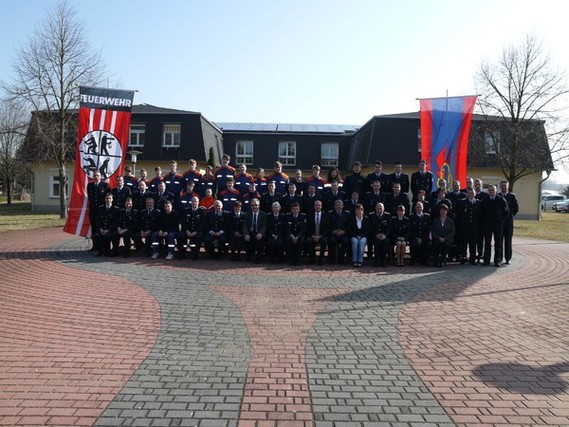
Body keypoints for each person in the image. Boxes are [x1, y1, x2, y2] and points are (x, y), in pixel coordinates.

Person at [481, 184, 509, 267]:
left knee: (498, 243)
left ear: (496, 191)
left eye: (493, 190)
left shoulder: (501, 199)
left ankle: (497, 260)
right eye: (490, 190)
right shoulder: (485, 200)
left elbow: (506, 211)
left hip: (498, 224)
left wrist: (502, 221)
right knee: (487, 243)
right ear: (488, 191)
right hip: (488, 225)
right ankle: (486, 260)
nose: (491, 191)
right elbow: (481, 212)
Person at [87, 170, 110, 252]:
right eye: (94, 175)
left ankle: (103, 246)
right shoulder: (89, 186)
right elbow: (90, 197)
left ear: (100, 177)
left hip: (102, 210)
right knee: (94, 228)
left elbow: (107, 198)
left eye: (97, 175)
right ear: (93, 177)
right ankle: (95, 246)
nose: (96, 177)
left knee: (102, 227)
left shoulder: (105, 185)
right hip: (93, 209)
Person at [458, 188, 482, 264]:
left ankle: (472, 259)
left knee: (473, 243)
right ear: (467, 194)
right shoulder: (462, 202)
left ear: (475, 194)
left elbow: (481, 215)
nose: (471, 194)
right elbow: (460, 214)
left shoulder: (479, 203)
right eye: (469, 193)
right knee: (464, 243)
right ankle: (463, 258)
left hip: (475, 227)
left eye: (472, 193)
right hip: (465, 226)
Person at [178, 196, 206, 260]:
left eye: (195, 201)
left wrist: (195, 231)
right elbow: (184, 222)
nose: (194, 203)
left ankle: (195, 254)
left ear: (198, 202)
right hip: (187, 230)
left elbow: (202, 224)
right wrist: (187, 231)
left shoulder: (202, 211)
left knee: (199, 236)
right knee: (180, 235)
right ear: (191, 202)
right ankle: (182, 254)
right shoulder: (186, 210)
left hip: (197, 231)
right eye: (193, 201)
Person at [499, 180, 519, 265]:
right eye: (502, 186)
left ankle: (508, 258)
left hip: (509, 223)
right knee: (499, 241)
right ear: (500, 187)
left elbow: (516, 209)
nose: (503, 187)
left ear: (508, 187)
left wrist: (510, 215)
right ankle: (499, 258)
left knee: (508, 241)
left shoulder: (512, 196)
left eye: (505, 186)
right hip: (500, 222)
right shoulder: (498, 196)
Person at [242, 198, 266, 263]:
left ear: (259, 205)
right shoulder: (247, 214)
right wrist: (246, 234)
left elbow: (264, 225)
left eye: (256, 205)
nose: (254, 207)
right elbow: (245, 225)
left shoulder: (263, 214)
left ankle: (259, 258)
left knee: (260, 241)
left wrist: (261, 233)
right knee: (246, 240)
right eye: (253, 205)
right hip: (250, 233)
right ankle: (249, 256)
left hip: (259, 233)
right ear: (250, 206)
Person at [305, 199, 328, 265]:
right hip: (312, 235)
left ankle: (321, 259)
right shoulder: (310, 215)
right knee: (309, 240)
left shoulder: (326, 216)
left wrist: (320, 236)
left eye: (319, 205)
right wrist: (313, 235)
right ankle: (311, 259)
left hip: (321, 235)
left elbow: (327, 228)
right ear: (314, 206)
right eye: (316, 205)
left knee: (324, 241)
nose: (317, 207)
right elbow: (307, 227)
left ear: (321, 206)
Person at [409, 201, 431, 266]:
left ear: (423, 208)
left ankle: (424, 261)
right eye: (417, 207)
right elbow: (411, 229)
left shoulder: (427, 217)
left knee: (427, 245)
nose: (419, 208)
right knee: (413, 244)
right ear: (415, 208)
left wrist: (422, 238)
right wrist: (417, 238)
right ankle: (413, 260)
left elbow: (428, 229)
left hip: (424, 237)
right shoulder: (411, 216)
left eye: (420, 207)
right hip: (414, 237)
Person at [328, 199, 350, 264]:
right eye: (337, 205)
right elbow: (328, 225)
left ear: (343, 206)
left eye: (340, 205)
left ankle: (341, 258)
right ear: (334, 206)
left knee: (346, 241)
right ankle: (332, 259)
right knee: (331, 241)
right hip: (333, 233)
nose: (339, 207)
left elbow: (349, 225)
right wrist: (333, 231)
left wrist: (344, 231)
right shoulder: (330, 213)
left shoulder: (347, 214)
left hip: (343, 233)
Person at [349, 204, 371, 268]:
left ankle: (360, 261)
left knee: (361, 242)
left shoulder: (366, 219)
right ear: (355, 211)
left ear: (363, 211)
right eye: (358, 210)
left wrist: (361, 236)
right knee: (354, 241)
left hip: (363, 236)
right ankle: (355, 261)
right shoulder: (352, 219)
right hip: (354, 236)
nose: (359, 212)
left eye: (361, 210)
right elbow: (350, 229)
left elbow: (368, 230)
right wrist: (356, 236)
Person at [369, 202, 391, 267]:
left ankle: (383, 261)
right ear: (375, 208)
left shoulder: (387, 216)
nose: (379, 210)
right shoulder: (371, 216)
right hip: (374, 235)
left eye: (381, 209)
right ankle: (377, 261)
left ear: (383, 209)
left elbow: (389, 228)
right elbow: (370, 227)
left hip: (384, 235)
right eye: (378, 208)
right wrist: (376, 234)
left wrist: (385, 235)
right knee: (377, 242)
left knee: (385, 242)